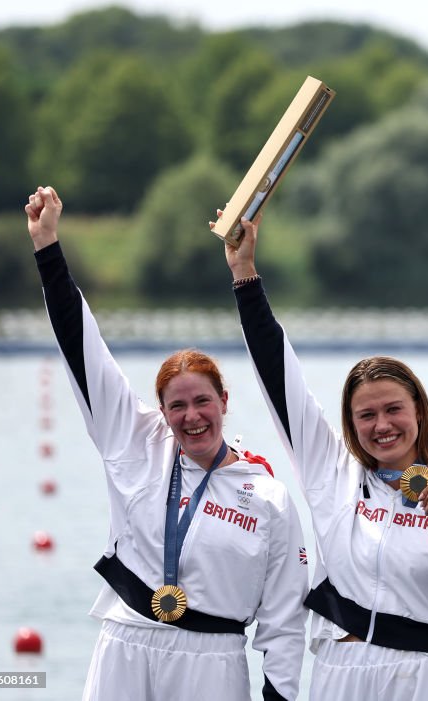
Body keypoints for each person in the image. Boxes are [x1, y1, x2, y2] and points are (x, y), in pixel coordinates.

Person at [218, 213, 428, 701]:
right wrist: (244, 274)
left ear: (418, 410)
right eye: (367, 415)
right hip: (341, 671)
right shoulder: (331, 471)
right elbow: (279, 376)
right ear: (351, 423)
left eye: (393, 410)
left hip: (424, 677)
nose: (382, 425)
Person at [25, 187, 308, 701]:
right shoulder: (136, 440)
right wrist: (47, 246)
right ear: (161, 412)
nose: (191, 417)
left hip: (213, 662)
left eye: (202, 402)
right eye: (177, 406)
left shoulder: (268, 497)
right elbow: (83, 349)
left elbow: (285, 619)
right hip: (125, 644)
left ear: (224, 401)